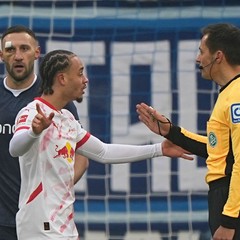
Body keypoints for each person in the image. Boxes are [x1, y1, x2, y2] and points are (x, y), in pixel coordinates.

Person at [8, 49, 193, 240]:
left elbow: (104, 152)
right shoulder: (32, 113)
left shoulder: (68, 119)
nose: (85, 80)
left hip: (64, 225)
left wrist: (159, 149)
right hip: (39, 225)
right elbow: (14, 148)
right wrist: (34, 132)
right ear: (62, 79)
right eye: (80, 73)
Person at [136, 23, 240, 240]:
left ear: (218, 56)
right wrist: (171, 132)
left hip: (238, 204)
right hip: (228, 199)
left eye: (201, 52)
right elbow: (220, 150)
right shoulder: (232, 92)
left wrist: (229, 220)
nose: (198, 59)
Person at [0, 25, 89, 240]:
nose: (18, 56)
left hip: (42, 218)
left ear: (37, 53)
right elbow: (15, 147)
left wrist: (54, 192)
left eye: (25, 49)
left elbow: (82, 155)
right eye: (11, 50)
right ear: (1, 55)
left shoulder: (54, 97)